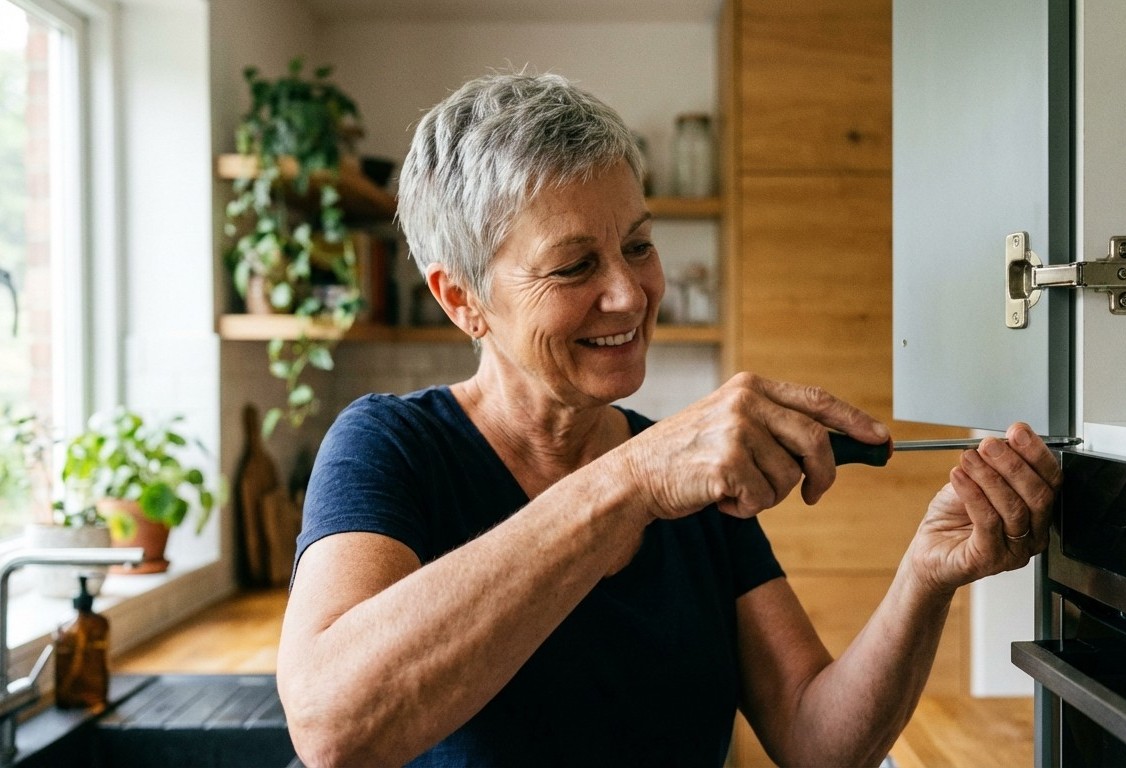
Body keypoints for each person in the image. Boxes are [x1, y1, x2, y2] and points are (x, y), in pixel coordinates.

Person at [276, 72, 1061, 768]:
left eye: (638, 245)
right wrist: (635, 479)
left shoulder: (683, 474)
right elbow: (336, 730)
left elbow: (817, 740)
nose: (628, 293)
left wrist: (925, 577)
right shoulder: (391, 448)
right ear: (462, 301)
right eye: (575, 265)